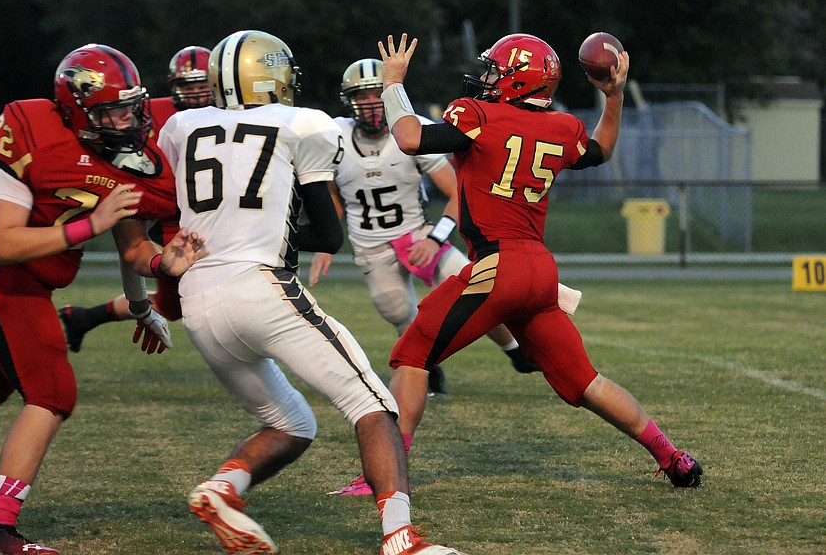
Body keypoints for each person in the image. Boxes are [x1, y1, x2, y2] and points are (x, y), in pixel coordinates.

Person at [156, 29, 465, 555]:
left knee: (292, 422)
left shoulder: (182, 125)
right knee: (374, 403)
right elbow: (327, 233)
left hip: (198, 302)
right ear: (271, 76)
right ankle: (402, 540)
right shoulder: (302, 122)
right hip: (259, 287)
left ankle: (222, 488)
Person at [370, 31, 702, 491]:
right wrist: (615, 96)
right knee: (587, 382)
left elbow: (408, 138)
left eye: (495, 72)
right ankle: (673, 458)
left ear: (517, 81)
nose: (485, 79)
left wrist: (392, 83)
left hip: (497, 264)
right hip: (540, 270)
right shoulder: (560, 127)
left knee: (411, 354)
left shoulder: (478, 115)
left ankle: (386, 478)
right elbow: (601, 150)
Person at [0, 43, 207, 555]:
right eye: (113, 109)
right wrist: (90, 224)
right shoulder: (33, 127)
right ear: (77, 110)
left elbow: (133, 245)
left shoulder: (130, 162)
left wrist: (162, 266)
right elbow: (5, 242)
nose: (129, 118)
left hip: (25, 282)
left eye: (133, 105)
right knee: (53, 391)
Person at [313, 58, 581, 496]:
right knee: (399, 310)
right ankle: (427, 368)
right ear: (350, 102)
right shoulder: (337, 139)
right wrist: (328, 240)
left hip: (421, 234)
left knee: (479, 285)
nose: (370, 104)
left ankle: (516, 350)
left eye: (375, 93)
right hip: (372, 244)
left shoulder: (412, 125)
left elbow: (456, 189)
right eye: (361, 96)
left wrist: (436, 238)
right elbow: (331, 194)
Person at [58, 46, 214, 352]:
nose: (196, 94)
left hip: (199, 212)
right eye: (188, 86)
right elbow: (130, 232)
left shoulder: (232, 115)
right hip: (169, 215)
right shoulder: (136, 114)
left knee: (172, 306)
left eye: (202, 85)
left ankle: (83, 317)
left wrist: (141, 306)